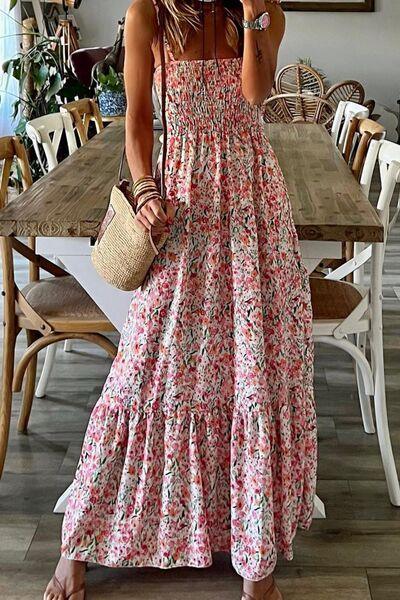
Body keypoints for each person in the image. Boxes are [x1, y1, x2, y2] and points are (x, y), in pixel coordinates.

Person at [44, 0, 317, 598]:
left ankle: (257, 561)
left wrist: (252, 17)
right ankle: (80, 539)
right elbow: (137, 122)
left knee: (255, 369)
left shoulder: (263, 10)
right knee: (143, 367)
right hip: (185, 202)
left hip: (253, 207)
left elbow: (252, 96)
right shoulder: (148, 12)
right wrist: (143, 192)